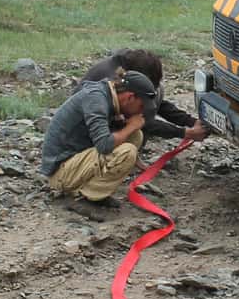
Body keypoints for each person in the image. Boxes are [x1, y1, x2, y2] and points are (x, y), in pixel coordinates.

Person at [41, 70, 160, 217]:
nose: (141, 112)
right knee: (127, 151)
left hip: (75, 157)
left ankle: (97, 194)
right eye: (141, 106)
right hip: (60, 170)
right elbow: (104, 145)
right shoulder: (96, 99)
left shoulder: (107, 95)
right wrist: (131, 126)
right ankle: (84, 198)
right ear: (130, 97)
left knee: (135, 136)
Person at [82, 48, 208, 144]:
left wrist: (190, 121)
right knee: (133, 134)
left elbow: (156, 103)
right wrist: (184, 133)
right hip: (89, 134)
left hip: (106, 117)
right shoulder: (114, 83)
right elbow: (141, 121)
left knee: (157, 92)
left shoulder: (128, 68)